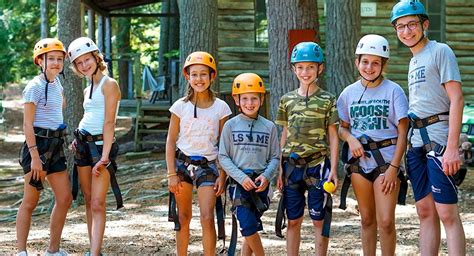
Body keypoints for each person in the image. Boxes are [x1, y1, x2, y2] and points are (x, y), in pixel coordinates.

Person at [391, 0, 466, 255]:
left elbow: (457, 98)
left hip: (439, 141)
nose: (406, 31)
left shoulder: (440, 51)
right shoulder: (413, 61)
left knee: (447, 212)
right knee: (424, 210)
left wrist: (452, 148)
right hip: (417, 143)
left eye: (412, 24)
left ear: (425, 24)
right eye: (400, 26)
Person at [337, 34, 409, 255]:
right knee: (367, 219)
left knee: (386, 221)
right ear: (357, 62)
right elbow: (342, 128)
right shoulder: (348, 93)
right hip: (360, 163)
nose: (369, 67)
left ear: (383, 65)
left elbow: (403, 131)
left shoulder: (394, 91)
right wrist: (350, 139)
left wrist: (394, 168)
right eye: (365, 61)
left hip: (386, 163)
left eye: (375, 62)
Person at [275, 42, 339, 256]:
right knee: (293, 220)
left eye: (310, 67)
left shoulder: (328, 100)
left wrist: (334, 169)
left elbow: (333, 135)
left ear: (319, 68)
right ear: (293, 69)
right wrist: (280, 168)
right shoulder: (286, 100)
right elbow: (284, 134)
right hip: (292, 167)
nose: (305, 72)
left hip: (317, 166)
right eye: (300, 67)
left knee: (319, 220)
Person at [166, 51, 231, 256]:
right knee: (183, 217)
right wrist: (171, 173)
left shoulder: (221, 108)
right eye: (194, 74)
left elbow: (225, 144)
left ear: (212, 77)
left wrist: (223, 173)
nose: (199, 79)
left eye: (204, 74)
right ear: (187, 76)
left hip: (209, 166)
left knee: (206, 217)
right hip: (182, 165)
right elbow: (170, 140)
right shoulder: (180, 106)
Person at [17, 38, 72, 256]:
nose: (57, 63)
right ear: (40, 61)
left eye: (60, 59)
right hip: (37, 146)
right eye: (52, 59)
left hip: (56, 145)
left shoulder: (57, 82)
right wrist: (35, 157)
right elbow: (27, 124)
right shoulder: (34, 87)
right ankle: (21, 251)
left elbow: (61, 105)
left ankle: (53, 250)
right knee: (30, 201)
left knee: (65, 198)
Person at [67, 37, 122, 256]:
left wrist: (105, 156)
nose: (84, 65)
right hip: (82, 146)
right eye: (79, 63)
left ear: (96, 57)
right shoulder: (88, 87)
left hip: (101, 148)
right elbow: (90, 116)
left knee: (98, 202)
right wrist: (78, 137)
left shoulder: (109, 84)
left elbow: (109, 122)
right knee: (89, 200)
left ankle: (94, 253)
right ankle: (94, 249)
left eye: (86, 60)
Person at [218, 73, 280, 256]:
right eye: (244, 98)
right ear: (237, 100)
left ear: (261, 99)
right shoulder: (230, 126)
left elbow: (275, 157)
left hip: (261, 186)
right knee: (247, 225)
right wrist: (241, 177)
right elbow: (223, 156)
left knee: (250, 226)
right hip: (239, 185)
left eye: (254, 98)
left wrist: (267, 177)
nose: (249, 103)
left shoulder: (269, 127)